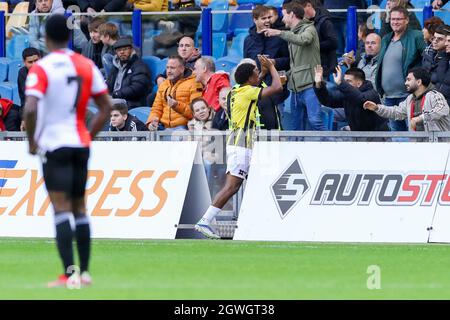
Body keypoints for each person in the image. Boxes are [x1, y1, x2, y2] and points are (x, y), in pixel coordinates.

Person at [23, 14, 111, 288]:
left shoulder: (41, 68)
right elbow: (106, 107)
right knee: (80, 208)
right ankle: (84, 273)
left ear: (46, 39)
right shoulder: (85, 65)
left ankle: (68, 272)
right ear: (69, 36)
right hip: (79, 143)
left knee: (61, 209)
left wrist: (33, 142)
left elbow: (30, 108)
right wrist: (89, 136)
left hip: (54, 144)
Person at [194, 55, 282, 239]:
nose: (258, 75)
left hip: (237, 143)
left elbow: (255, 83)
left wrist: (263, 70)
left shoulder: (235, 90)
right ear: (249, 79)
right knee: (232, 187)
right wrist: (271, 67)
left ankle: (260, 222)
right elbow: (277, 87)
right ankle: (205, 220)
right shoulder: (247, 92)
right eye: (256, 73)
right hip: (242, 145)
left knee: (254, 183)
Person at [263, 2, 326, 131]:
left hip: (310, 86)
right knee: (295, 127)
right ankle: (297, 152)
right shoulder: (293, 35)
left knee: (316, 123)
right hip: (296, 89)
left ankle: (334, 149)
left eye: (284, 15)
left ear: (292, 15)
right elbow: (298, 65)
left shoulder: (309, 29)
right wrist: (286, 75)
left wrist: (279, 33)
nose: (282, 19)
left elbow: (304, 40)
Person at [375, 6, 426, 132]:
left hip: (409, 96)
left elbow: (427, 60)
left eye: (399, 19)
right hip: (389, 97)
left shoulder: (416, 36)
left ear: (407, 20)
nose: (395, 22)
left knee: (413, 134)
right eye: (393, 19)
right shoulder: (386, 38)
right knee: (396, 137)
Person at [364, 67, 450, 132]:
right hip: (418, 146)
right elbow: (396, 112)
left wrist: (420, 118)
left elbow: (442, 110)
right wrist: (377, 108)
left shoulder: (434, 95)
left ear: (419, 82)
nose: (405, 83)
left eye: (408, 80)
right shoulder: (410, 99)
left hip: (439, 146)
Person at [314, 65, 388, 131]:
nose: (345, 84)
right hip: (358, 137)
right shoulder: (347, 95)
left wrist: (341, 83)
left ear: (359, 83)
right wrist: (319, 85)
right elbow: (327, 100)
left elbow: (360, 99)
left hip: (378, 138)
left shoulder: (371, 94)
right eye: (344, 81)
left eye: (348, 81)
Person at [146, 55, 203, 132]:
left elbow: (196, 112)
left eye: (172, 68)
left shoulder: (194, 83)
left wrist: (177, 106)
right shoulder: (164, 84)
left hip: (184, 129)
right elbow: (156, 109)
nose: (169, 71)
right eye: (167, 67)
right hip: (164, 128)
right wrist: (151, 122)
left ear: (182, 69)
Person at [295, 0, 338, 79]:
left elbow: (333, 42)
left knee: (325, 90)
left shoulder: (325, 22)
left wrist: (312, 46)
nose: (301, 15)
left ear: (309, 5)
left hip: (325, 69)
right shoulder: (303, 23)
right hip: (310, 70)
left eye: (302, 11)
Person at [106, 37, 152, 108]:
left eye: (125, 49)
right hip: (115, 98)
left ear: (132, 50)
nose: (122, 52)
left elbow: (137, 87)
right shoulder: (115, 66)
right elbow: (109, 83)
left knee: (103, 105)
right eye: (119, 50)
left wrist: (116, 94)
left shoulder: (139, 66)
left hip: (131, 102)